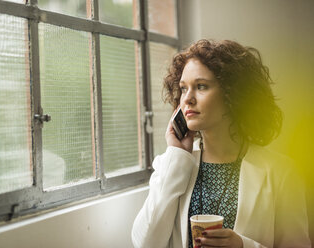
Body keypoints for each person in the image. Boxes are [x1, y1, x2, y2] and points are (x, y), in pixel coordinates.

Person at [131, 39, 311, 248]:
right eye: (183, 88)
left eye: (201, 86)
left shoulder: (282, 173)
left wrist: (244, 246)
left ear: (233, 95)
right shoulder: (171, 163)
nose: (187, 99)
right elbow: (145, 244)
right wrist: (177, 155)